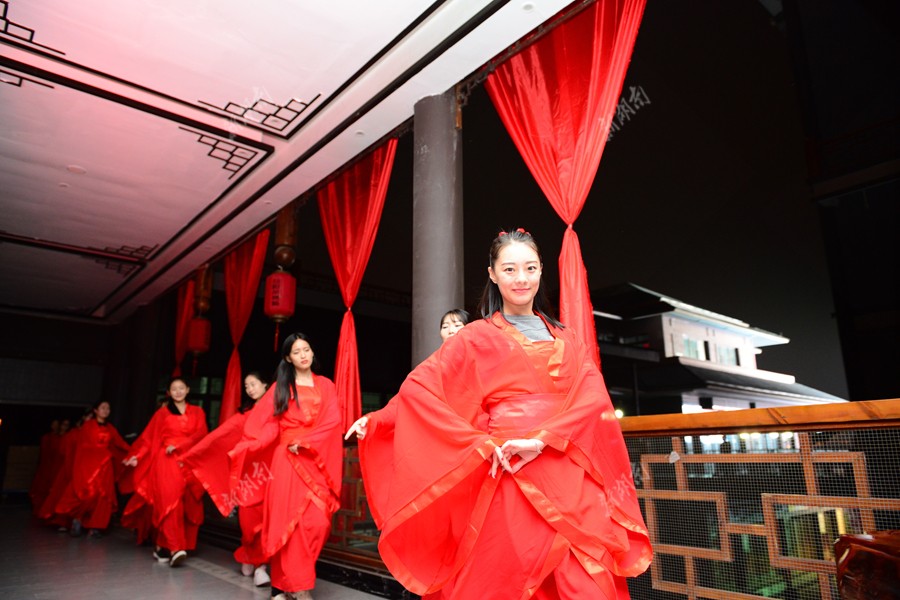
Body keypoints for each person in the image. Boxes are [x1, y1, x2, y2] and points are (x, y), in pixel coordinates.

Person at [346, 228, 652, 599]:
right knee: (506, 576)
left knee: (587, 580)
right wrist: (379, 420)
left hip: (567, 467)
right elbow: (423, 389)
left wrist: (541, 440)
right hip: (509, 469)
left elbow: (593, 400)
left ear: (541, 271)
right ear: (492, 274)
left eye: (530, 268)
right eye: (509, 269)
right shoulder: (474, 337)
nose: (521, 278)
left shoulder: (569, 338)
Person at [229, 333, 343, 600]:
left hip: (314, 458)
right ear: (288, 358)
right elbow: (266, 425)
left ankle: (284, 583)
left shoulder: (326, 385)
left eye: (307, 349)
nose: (303, 355)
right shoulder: (280, 387)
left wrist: (306, 441)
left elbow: (332, 422)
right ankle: (296, 588)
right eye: (297, 352)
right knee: (289, 526)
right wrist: (249, 446)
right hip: (287, 463)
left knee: (317, 523)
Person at [182, 371, 272, 586]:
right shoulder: (244, 415)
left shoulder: (277, 412)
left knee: (267, 523)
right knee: (248, 523)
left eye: (253, 384)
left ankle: (261, 566)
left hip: (270, 475)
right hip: (249, 476)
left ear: (266, 385)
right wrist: (194, 454)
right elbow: (219, 436)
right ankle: (248, 554)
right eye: (246, 386)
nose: (249, 389)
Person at [120, 377, 208, 567]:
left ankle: (162, 545)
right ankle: (175, 548)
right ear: (169, 392)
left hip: (189, 461)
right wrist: (137, 456)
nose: (178, 391)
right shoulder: (162, 414)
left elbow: (201, 434)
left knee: (188, 503)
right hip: (166, 461)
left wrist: (180, 444)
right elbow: (149, 439)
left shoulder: (198, 411)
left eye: (181, 388)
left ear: (188, 390)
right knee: (170, 502)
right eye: (174, 389)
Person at [52, 400, 130, 537]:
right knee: (87, 494)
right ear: (96, 411)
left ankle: (96, 526)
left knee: (103, 497)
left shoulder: (110, 428)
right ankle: (78, 518)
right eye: (103, 408)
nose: (106, 410)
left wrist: (135, 453)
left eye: (108, 408)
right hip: (90, 467)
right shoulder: (88, 426)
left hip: (105, 468)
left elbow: (120, 443)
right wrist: (100, 454)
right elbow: (83, 448)